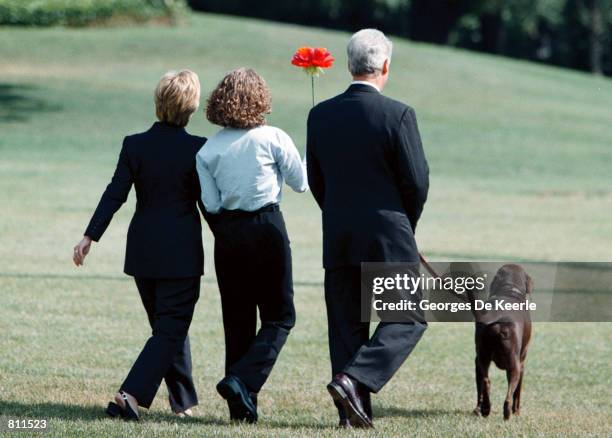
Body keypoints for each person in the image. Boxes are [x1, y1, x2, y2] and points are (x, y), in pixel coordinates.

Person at [306, 29, 430, 428]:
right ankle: (354, 379)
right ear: (386, 66)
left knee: (346, 326)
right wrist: (404, 224)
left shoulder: (319, 114)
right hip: (388, 233)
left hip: (338, 232)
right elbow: (417, 181)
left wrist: (339, 212)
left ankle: (350, 415)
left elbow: (316, 179)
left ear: (349, 65)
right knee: (408, 316)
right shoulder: (399, 114)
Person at [72, 70, 206, 420]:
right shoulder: (199, 149)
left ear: (158, 102)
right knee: (170, 327)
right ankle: (129, 395)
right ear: (191, 107)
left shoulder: (135, 144)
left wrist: (90, 236)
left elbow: (115, 193)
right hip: (181, 253)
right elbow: (210, 206)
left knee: (167, 327)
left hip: (143, 252)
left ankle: (183, 402)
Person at [196, 68, 307, 423]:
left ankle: (240, 411)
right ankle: (241, 380)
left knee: (237, 321)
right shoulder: (273, 137)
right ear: (261, 99)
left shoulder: (207, 149)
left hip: (228, 235)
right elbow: (300, 183)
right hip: (267, 227)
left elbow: (210, 205)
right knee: (280, 316)